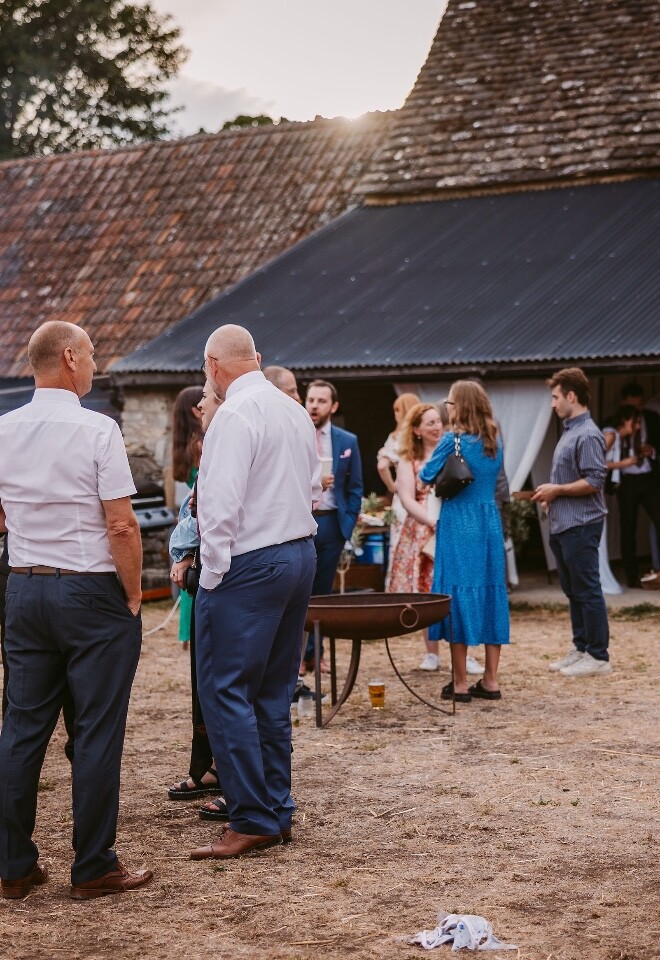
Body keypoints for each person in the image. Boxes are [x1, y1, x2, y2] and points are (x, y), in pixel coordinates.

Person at [0, 320, 152, 900]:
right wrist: (133, 592)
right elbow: (121, 522)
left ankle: (12, 864)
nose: (95, 365)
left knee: (21, 728)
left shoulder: (5, 427)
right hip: (89, 590)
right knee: (95, 730)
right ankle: (93, 865)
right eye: (91, 354)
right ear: (68, 357)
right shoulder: (98, 429)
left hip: (25, 588)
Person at [189, 324, 320, 861]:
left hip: (249, 562)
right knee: (271, 690)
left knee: (225, 689)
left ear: (213, 366)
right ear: (258, 359)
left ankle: (251, 816)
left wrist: (213, 575)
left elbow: (218, 507)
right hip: (298, 553)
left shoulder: (233, 416)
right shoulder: (294, 411)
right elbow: (313, 483)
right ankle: (276, 806)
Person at [419, 381, 509, 702]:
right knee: (490, 592)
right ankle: (491, 679)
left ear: (461, 406)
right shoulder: (494, 441)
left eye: (450, 402)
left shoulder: (452, 440)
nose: (448, 407)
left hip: (458, 522)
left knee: (457, 594)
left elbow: (426, 475)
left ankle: (459, 683)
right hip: (488, 522)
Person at [532, 367, 610, 678]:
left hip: (582, 524)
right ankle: (581, 648)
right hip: (563, 524)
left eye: (555, 397)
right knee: (573, 590)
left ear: (571, 396)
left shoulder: (588, 433)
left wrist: (558, 490)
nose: (552, 403)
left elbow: (595, 479)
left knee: (587, 589)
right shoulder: (570, 431)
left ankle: (599, 656)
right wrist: (553, 497)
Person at [167, 381, 222, 800]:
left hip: (223, 576)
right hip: (207, 573)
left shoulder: (219, 448)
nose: (198, 404)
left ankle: (220, 767)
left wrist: (181, 551)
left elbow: (198, 514)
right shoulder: (210, 450)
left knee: (217, 678)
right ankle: (204, 766)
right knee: (203, 677)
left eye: (206, 398)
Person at [302, 379, 363, 673]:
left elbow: (355, 488)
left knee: (322, 595)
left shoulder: (346, 441)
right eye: (311, 399)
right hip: (298, 524)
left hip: (329, 525)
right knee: (296, 592)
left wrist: (346, 526)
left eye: (321, 401)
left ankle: (318, 654)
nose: (314, 405)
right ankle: (297, 657)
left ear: (333, 406)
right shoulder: (293, 434)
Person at [386, 403, 445, 669]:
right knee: (427, 589)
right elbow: (406, 497)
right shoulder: (409, 458)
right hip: (422, 527)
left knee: (453, 587)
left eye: (438, 421)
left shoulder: (450, 451)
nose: (437, 427)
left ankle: (464, 651)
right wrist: (431, 521)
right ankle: (431, 651)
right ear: (418, 430)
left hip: (450, 523)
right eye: (430, 423)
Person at [617, 382, 660, 587]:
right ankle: (632, 576)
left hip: (649, 477)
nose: (636, 412)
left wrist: (652, 451)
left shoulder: (652, 418)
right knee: (628, 527)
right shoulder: (615, 422)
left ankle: (657, 571)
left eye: (639, 407)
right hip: (627, 480)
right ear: (624, 403)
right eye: (632, 407)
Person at [171, 386, 204, 650]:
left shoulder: (186, 442)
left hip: (185, 516)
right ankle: (193, 630)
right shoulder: (202, 443)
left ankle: (187, 632)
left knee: (188, 578)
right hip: (197, 515)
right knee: (195, 575)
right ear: (196, 410)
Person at [599, 405, 641, 594]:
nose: (638, 427)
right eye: (636, 422)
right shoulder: (611, 436)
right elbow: (596, 462)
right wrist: (622, 464)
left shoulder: (619, 439)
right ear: (625, 419)